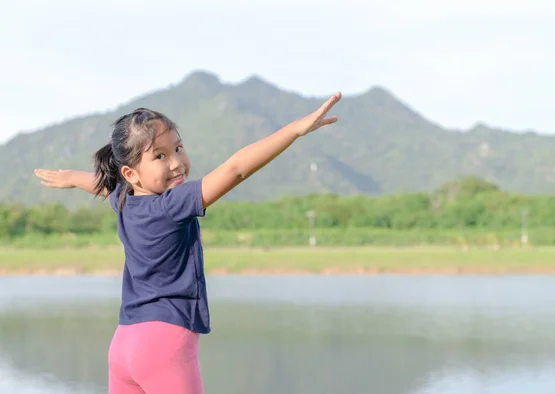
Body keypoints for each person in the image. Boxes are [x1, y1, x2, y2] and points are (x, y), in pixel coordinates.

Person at [33, 91, 342, 394]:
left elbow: (103, 187)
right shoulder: (171, 205)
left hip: (124, 344)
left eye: (178, 148)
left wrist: (72, 177)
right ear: (130, 173)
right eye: (160, 156)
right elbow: (235, 169)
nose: (176, 162)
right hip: (164, 343)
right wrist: (294, 131)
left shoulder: (126, 201)